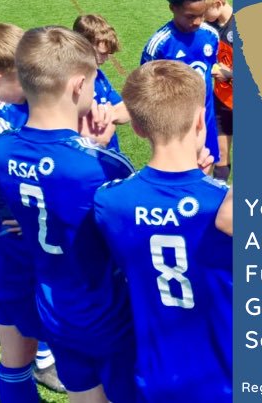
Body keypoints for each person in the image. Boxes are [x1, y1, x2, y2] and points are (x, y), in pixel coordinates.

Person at [0, 26, 136, 403]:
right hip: (107, 312)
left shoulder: (2, 149)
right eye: (92, 82)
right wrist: (94, 149)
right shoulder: (102, 165)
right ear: (77, 86)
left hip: (54, 308)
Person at [94, 59, 234, 402]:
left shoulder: (109, 201)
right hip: (224, 376)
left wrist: (96, 148)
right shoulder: (222, 205)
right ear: (201, 120)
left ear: (139, 129)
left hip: (155, 376)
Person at [0, 23, 68, 399]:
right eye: (23, 80)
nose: (28, 89)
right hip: (8, 255)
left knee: (17, 353)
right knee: (21, 354)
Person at [142, 0, 221, 173]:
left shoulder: (211, 35)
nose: (197, 22)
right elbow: (145, 88)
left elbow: (209, 69)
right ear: (173, 9)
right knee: (178, 173)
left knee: (205, 167)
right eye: (189, 16)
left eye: (201, 15)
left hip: (206, 118)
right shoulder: (160, 44)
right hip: (175, 125)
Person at [71, 14, 132, 151]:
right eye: (102, 53)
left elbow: (125, 110)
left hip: (110, 154)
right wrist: (109, 113)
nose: (106, 59)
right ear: (83, 46)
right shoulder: (67, 82)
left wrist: (110, 114)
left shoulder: (98, 76)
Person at [203, 0, 237, 182]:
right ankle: (219, 199)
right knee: (220, 156)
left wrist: (230, 74)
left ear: (218, 2)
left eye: (204, 10)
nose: (201, 17)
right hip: (220, 100)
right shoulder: (208, 27)